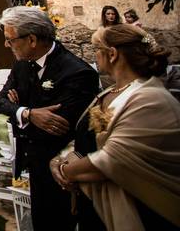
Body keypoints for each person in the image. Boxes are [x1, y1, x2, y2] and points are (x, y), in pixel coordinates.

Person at [50, 25, 180, 230]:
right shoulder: (108, 94)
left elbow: (112, 160)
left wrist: (66, 170)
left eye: (96, 50)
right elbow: (93, 135)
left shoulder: (150, 99)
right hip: (94, 206)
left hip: (137, 209)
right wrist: (59, 159)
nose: (94, 56)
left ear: (112, 54)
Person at [0, 6, 99, 231]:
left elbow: (58, 126)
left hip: (64, 170)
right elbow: (1, 103)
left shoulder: (77, 72)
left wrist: (19, 107)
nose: (6, 45)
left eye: (10, 40)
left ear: (31, 39)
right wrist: (29, 113)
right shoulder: (22, 64)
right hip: (35, 164)